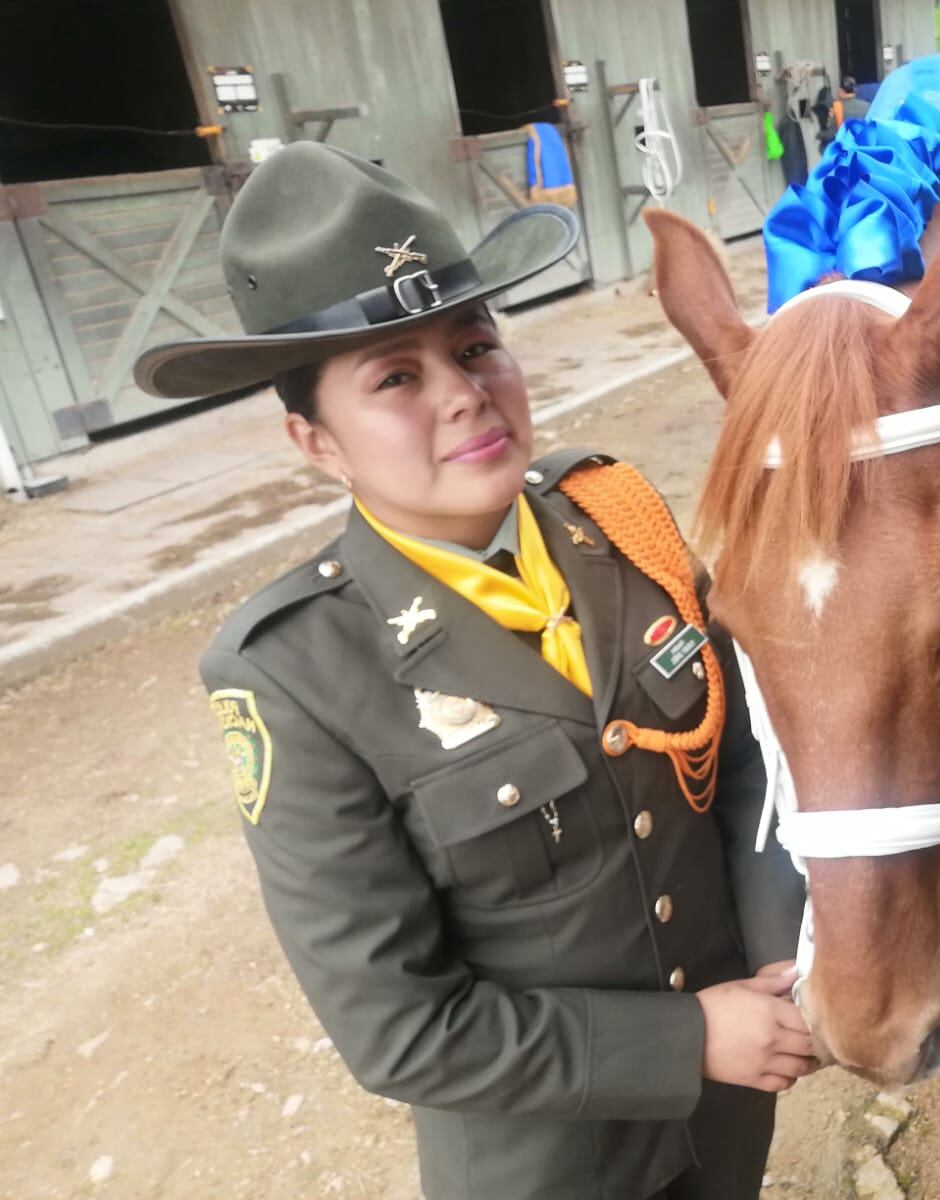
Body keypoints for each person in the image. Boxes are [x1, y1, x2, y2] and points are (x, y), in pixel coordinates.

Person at [132, 143, 809, 1200]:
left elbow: (740, 757)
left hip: (726, 1117)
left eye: (477, 346)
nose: (465, 395)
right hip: (554, 1164)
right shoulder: (298, 673)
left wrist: (780, 957)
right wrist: (689, 1040)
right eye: (396, 378)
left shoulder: (616, 522)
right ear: (318, 443)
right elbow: (399, 1028)